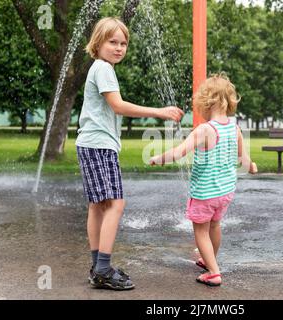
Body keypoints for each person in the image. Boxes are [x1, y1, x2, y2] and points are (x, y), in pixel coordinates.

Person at [76, 17, 184, 291]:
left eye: (123, 43)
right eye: (112, 42)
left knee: (99, 205)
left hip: (92, 144)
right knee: (115, 204)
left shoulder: (101, 68)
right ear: (98, 43)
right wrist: (159, 112)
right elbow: (118, 106)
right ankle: (102, 268)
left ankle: (97, 266)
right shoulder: (103, 69)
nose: (119, 48)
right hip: (99, 145)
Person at [149, 74, 257, 286]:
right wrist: (252, 166)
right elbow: (243, 160)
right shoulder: (234, 129)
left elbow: (179, 152)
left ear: (205, 102)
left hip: (205, 193)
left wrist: (158, 158)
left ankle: (214, 273)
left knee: (200, 231)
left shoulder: (205, 130)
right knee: (215, 226)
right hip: (225, 192)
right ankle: (210, 261)